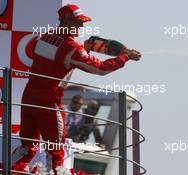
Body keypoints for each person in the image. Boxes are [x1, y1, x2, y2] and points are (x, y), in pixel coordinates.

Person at [11, 3, 141, 173]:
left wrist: (84, 50)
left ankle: (10, 169)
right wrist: (125, 57)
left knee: (27, 147)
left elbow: (56, 60)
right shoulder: (72, 48)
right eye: (78, 22)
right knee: (56, 149)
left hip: (29, 97)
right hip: (49, 101)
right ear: (65, 22)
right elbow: (100, 68)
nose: (81, 26)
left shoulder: (44, 37)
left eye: (82, 22)